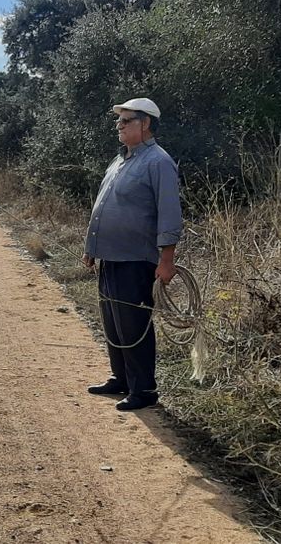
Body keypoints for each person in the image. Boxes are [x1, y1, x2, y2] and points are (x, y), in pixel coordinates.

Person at [82, 97, 182, 411]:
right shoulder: (120, 160)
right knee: (113, 322)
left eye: (126, 121)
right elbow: (103, 204)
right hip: (109, 256)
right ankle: (121, 378)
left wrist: (167, 260)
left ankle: (144, 390)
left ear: (145, 123)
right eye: (119, 121)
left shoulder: (159, 162)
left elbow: (169, 213)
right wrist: (91, 248)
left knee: (133, 324)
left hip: (136, 260)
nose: (119, 126)